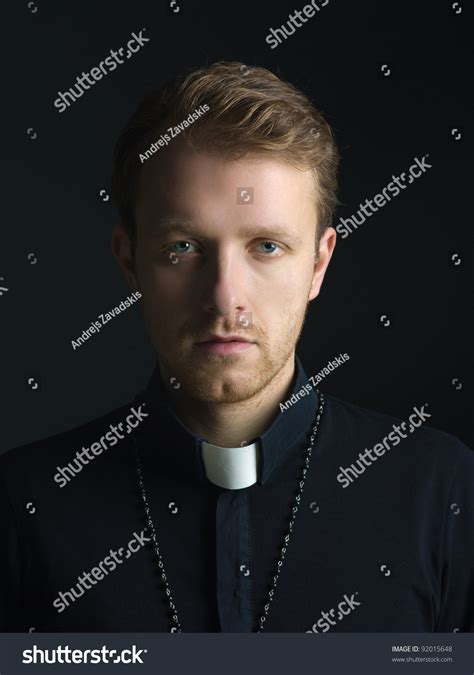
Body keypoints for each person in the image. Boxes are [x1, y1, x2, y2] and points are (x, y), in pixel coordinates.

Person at [1, 61, 472, 633]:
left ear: (318, 264)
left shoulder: (443, 491)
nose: (225, 299)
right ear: (130, 261)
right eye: (183, 246)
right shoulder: (22, 506)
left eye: (267, 246)